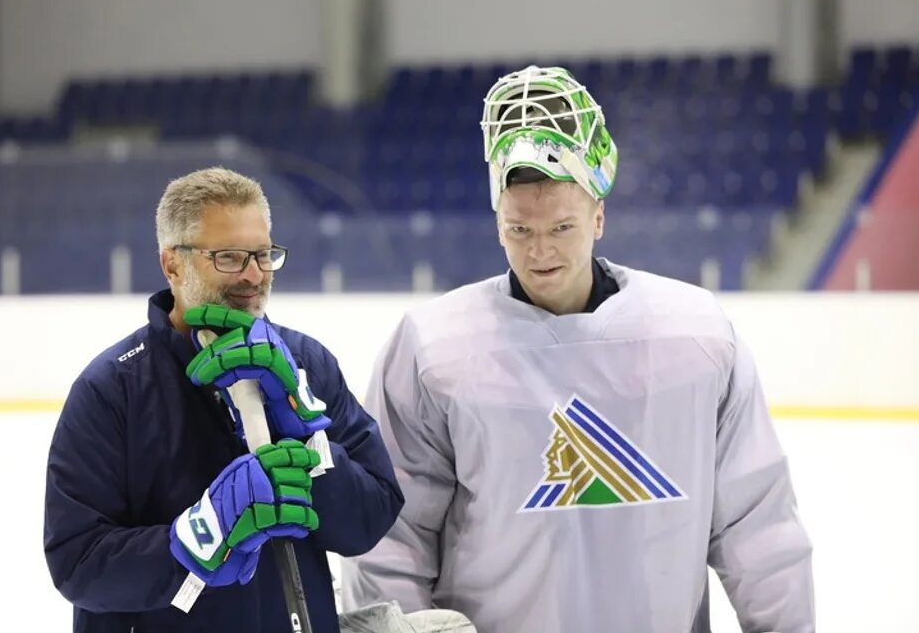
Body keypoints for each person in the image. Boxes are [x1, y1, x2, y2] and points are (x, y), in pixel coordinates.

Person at [342, 66, 815, 632]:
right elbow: (391, 535)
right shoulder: (432, 348)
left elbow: (758, 528)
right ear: (497, 223)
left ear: (598, 216)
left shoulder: (698, 336)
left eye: (562, 227)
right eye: (520, 229)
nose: (540, 250)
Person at [44, 166, 404, 632]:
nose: (254, 275)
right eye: (230, 257)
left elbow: (369, 522)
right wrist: (195, 537)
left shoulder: (305, 364)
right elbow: (77, 564)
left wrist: (309, 442)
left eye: (262, 254)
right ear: (172, 264)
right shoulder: (112, 389)